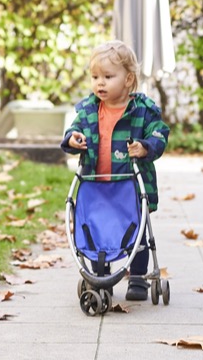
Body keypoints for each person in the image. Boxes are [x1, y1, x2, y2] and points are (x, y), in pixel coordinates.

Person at [61, 40, 170, 300]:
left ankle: (139, 279)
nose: (100, 83)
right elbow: (71, 132)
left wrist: (146, 147)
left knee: (137, 230)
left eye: (108, 77)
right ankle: (101, 278)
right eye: (95, 77)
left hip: (130, 185)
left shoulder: (142, 110)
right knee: (98, 231)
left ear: (128, 79)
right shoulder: (88, 110)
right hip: (95, 183)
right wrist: (73, 140)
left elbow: (160, 133)